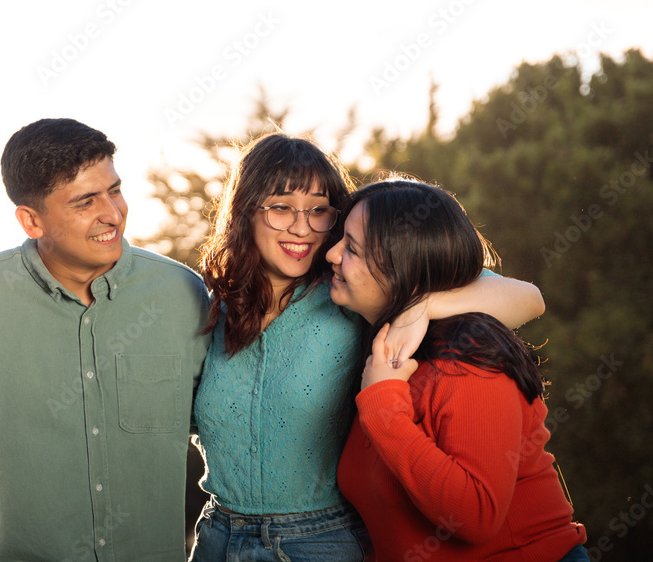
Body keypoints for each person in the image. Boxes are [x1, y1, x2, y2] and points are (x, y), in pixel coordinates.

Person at [189, 134, 546, 561]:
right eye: (281, 207)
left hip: (321, 542)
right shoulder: (215, 309)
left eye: (319, 210)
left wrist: (424, 305)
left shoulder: (354, 292)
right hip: (217, 535)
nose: (303, 227)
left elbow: (528, 297)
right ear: (245, 210)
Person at [0, 118, 211, 560]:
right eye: (85, 201)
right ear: (31, 220)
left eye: (115, 190)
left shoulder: (182, 294)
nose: (112, 213)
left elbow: (226, 426)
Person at [331, 177, 588, 561]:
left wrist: (383, 407)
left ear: (401, 267)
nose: (331, 254)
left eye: (351, 247)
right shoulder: (378, 346)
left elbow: (477, 514)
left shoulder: (468, 361)